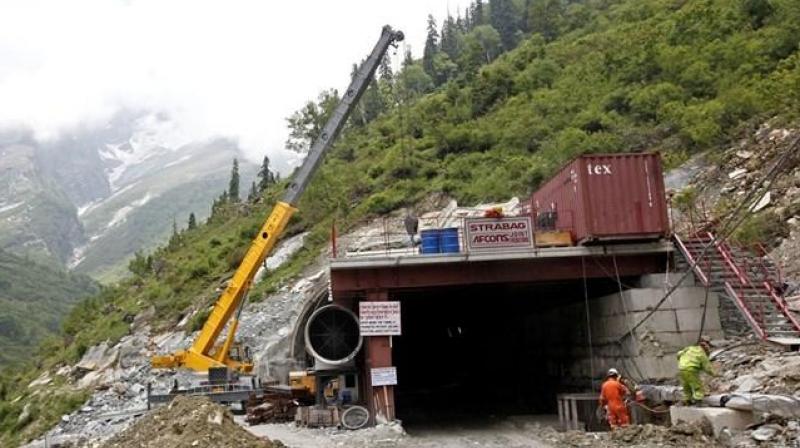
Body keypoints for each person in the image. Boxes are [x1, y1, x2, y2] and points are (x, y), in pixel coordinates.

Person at [677, 338, 716, 405]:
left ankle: (687, 400)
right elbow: (707, 367)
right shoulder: (701, 353)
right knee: (697, 386)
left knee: (686, 386)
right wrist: (714, 374)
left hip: (681, 369)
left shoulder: (688, 349)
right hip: (691, 369)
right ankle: (698, 401)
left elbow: (678, 354)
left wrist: (683, 359)